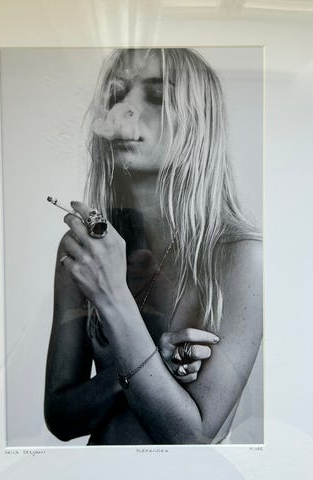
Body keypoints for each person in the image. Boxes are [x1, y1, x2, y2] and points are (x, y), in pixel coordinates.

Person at [44, 48, 262, 445]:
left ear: (199, 123)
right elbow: (61, 416)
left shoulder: (242, 257)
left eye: (158, 96)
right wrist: (149, 364)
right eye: (117, 94)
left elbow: (193, 439)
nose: (125, 109)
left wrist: (113, 297)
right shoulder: (87, 249)